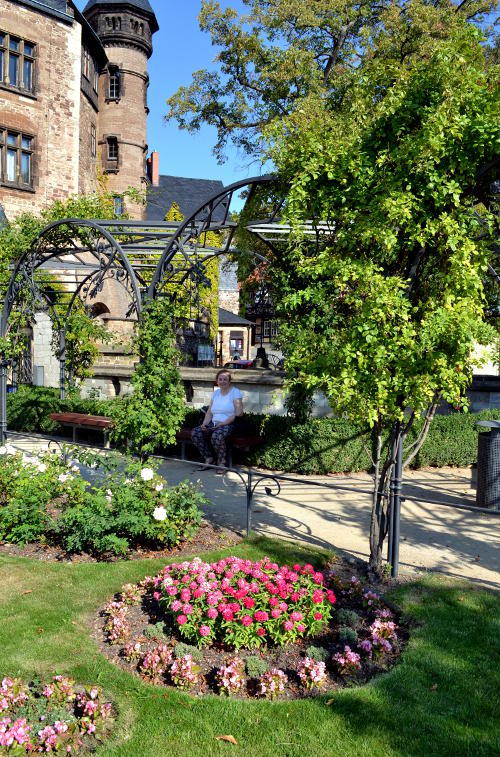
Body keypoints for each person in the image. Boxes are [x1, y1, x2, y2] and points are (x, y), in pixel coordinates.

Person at [191, 369, 243, 473]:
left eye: (225, 379)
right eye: (220, 379)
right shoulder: (216, 393)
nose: (222, 381)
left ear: (229, 382)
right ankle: (209, 459)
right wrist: (204, 424)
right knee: (196, 433)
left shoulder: (235, 392)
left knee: (217, 436)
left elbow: (239, 413)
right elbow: (209, 412)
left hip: (230, 424)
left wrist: (223, 423)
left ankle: (222, 462)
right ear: (217, 381)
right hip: (214, 423)